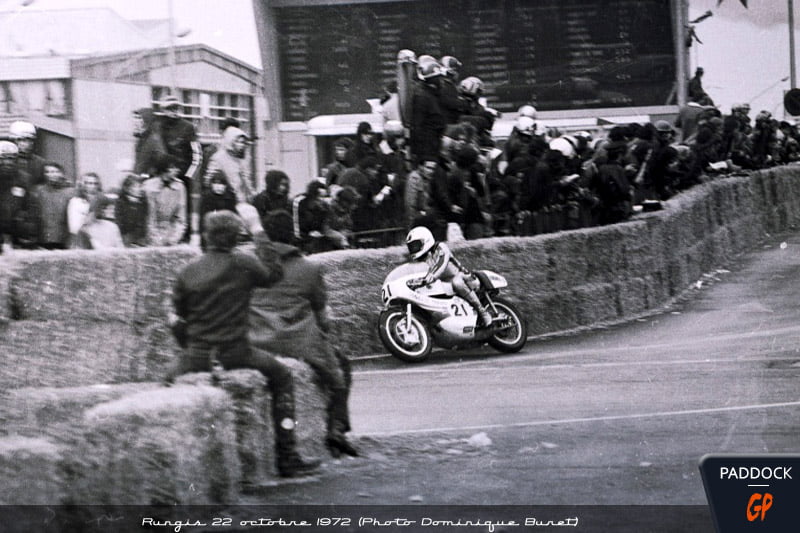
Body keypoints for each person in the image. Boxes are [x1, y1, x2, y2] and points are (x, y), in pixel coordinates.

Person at [168, 210, 319, 478]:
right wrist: (258, 229)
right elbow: (274, 273)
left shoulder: (187, 271)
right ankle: (287, 455)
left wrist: (187, 348)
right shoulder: (243, 263)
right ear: (236, 237)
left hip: (197, 354)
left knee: (166, 385)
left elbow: (177, 319)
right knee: (282, 377)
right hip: (236, 352)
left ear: (207, 236)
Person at [249, 210, 359, 458]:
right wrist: (324, 334)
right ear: (292, 235)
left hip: (256, 341)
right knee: (340, 369)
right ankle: (336, 429)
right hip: (297, 343)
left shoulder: (250, 266)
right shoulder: (309, 268)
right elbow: (323, 319)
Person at [406, 225, 492, 325]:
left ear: (426, 240)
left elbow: (441, 263)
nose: (414, 249)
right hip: (444, 284)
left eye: (416, 245)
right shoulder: (421, 260)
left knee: (457, 282)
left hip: (463, 277)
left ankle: (482, 311)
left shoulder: (440, 247)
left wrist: (431, 277)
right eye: (411, 247)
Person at [157, 94, 202, 241]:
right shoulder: (158, 127)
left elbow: (197, 154)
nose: (174, 111)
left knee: (183, 210)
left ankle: (185, 237)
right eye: (170, 108)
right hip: (162, 177)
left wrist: (188, 175)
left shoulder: (188, 127)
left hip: (183, 177)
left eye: (176, 108)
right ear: (163, 110)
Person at [0, 141, 38, 253]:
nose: (7, 162)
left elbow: (30, 205)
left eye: (11, 158)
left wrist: (27, 228)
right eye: (3, 159)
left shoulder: (23, 178)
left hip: (15, 231)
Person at [143, 155, 187, 247]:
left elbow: (181, 217)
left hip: (171, 235)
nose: (177, 170)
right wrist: (155, 239)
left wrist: (174, 238)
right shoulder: (148, 186)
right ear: (164, 169)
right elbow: (149, 216)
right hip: (151, 236)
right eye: (173, 167)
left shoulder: (180, 187)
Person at [32, 162, 73, 249]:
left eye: (55, 171)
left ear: (61, 174)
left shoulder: (70, 192)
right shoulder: (38, 191)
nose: (51, 174)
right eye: (48, 172)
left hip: (64, 238)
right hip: (43, 237)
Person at [67, 172, 103, 248]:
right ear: (83, 185)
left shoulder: (101, 201)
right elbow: (74, 227)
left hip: (100, 239)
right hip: (81, 239)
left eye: (95, 183)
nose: (93, 186)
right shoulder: (76, 201)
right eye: (89, 183)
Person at [115, 174, 149, 247]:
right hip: (126, 237)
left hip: (142, 238)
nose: (141, 189)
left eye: (142, 186)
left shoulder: (144, 203)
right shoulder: (121, 202)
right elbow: (120, 222)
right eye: (138, 186)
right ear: (128, 188)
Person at [8, 120, 45, 187]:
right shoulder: (7, 161)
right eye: (23, 140)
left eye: (30, 140)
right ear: (15, 141)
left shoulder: (40, 162)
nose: (28, 144)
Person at [133, 108, 167, 177]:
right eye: (135, 117)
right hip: (139, 179)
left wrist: (148, 175)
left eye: (139, 118)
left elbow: (162, 161)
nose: (135, 121)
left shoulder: (154, 139)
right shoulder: (141, 139)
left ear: (146, 120)